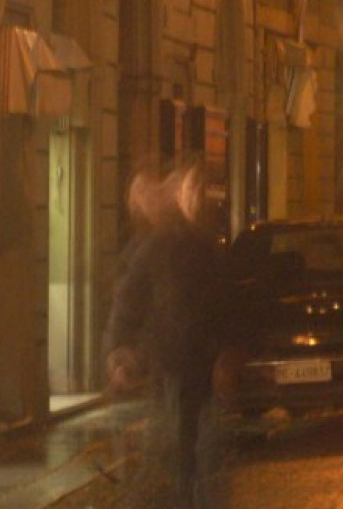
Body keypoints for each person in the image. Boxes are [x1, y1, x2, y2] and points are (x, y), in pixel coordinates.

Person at [104, 165, 231, 509]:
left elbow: (224, 306)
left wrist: (227, 352)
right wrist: (121, 351)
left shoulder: (203, 250)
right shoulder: (161, 248)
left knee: (191, 450)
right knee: (175, 449)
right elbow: (129, 301)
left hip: (194, 368)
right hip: (170, 366)